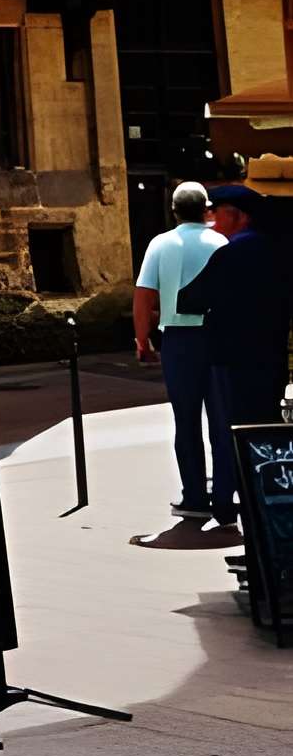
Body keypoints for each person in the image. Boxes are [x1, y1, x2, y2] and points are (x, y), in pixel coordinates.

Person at [176, 183, 293, 523]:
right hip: (270, 359)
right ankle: (271, 514)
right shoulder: (277, 251)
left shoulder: (231, 254)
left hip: (233, 360)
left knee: (238, 438)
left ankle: (248, 523)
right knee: (265, 436)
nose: (212, 219)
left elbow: (190, 299)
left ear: (238, 216)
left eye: (218, 212)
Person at [133, 181, 228, 519]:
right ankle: (224, 498)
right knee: (221, 420)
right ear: (206, 209)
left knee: (185, 421)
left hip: (178, 339)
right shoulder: (221, 241)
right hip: (219, 338)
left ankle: (195, 497)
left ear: (173, 210)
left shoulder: (161, 243)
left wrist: (142, 340)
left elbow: (144, 295)